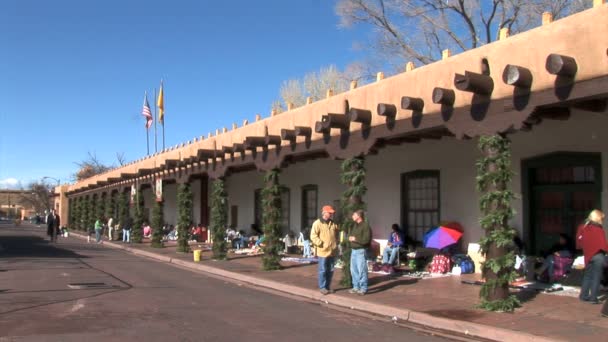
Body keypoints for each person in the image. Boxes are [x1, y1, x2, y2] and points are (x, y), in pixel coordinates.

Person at [576, 209, 608, 304]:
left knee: (588, 276)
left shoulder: (582, 227)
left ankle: (583, 295)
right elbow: (603, 245)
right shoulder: (599, 230)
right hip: (598, 255)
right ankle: (593, 298)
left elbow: (579, 243)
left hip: (588, 255)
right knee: (596, 277)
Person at [310, 205, 339, 295]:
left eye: (331, 213)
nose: (331, 214)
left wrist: (336, 243)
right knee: (323, 270)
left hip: (332, 251)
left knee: (330, 270)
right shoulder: (317, 223)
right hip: (323, 251)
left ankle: (327, 287)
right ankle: (322, 287)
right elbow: (313, 236)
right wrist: (321, 244)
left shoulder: (333, 223)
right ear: (324, 213)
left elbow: (336, 234)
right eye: (329, 213)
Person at [348, 210, 372, 295]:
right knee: (353, 270)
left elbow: (366, 240)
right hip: (353, 250)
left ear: (359, 216)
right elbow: (352, 236)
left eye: (354, 215)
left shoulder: (365, 226)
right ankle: (356, 287)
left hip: (361, 251)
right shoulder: (354, 225)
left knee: (362, 270)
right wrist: (350, 238)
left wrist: (355, 239)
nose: (352, 216)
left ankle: (363, 288)